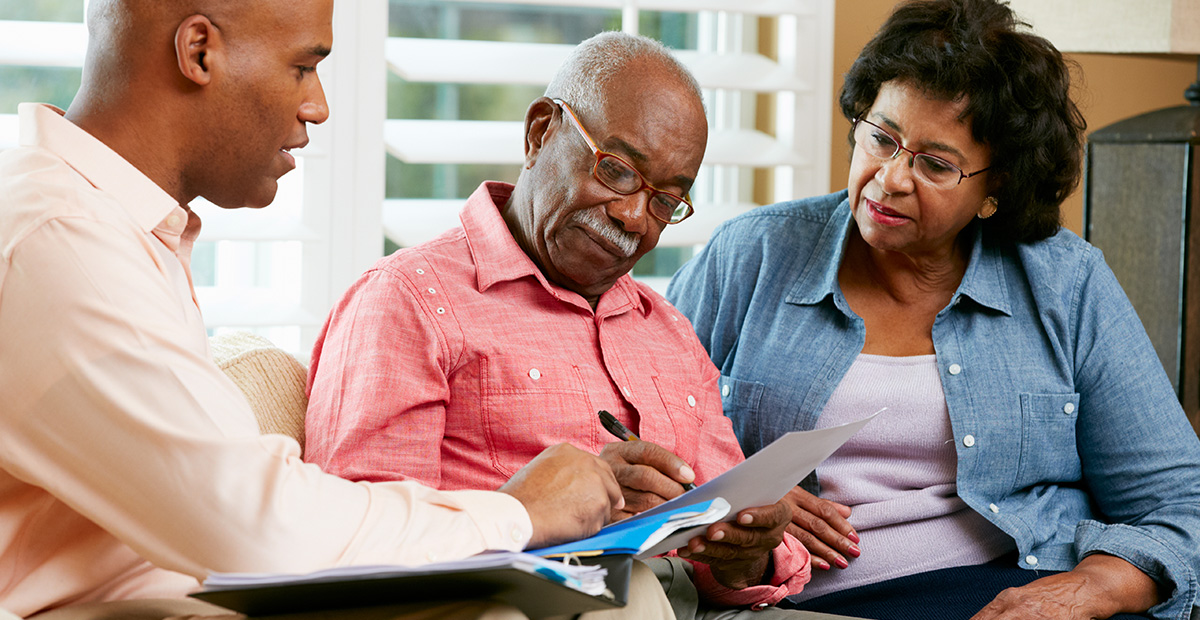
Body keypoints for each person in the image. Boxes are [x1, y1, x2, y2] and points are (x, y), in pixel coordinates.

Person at [0, 2, 679, 619]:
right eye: (303, 67)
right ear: (199, 51)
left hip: (196, 596)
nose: (318, 107)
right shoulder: (58, 243)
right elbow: (255, 527)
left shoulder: (114, 229)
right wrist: (516, 513)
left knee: (621, 596)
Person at [666, 0, 1200, 619]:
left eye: (936, 164)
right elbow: (634, 433)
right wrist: (736, 492)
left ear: (996, 188)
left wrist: (1088, 590)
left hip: (1024, 584)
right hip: (812, 600)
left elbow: (1178, 502)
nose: (891, 179)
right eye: (881, 138)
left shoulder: (1065, 282)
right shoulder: (753, 254)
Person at [303, 31, 812, 617]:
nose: (634, 217)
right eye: (617, 170)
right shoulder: (408, 301)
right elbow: (359, 543)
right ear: (540, 132)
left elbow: (731, 556)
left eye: (665, 202)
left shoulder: (670, 330)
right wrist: (550, 515)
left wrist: (746, 555)